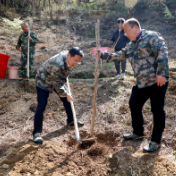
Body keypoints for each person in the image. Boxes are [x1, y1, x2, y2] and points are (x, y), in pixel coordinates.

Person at [98, 18, 169, 152]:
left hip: (156, 81)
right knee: (134, 103)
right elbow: (120, 55)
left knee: (157, 110)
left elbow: (162, 52)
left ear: (135, 27)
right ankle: (138, 132)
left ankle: (155, 141)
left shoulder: (151, 36)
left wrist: (162, 73)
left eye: (126, 31)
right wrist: (103, 55)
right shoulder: (131, 44)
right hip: (141, 82)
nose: (125, 34)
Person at [33, 47, 84, 144]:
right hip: (43, 80)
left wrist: (65, 75)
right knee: (42, 105)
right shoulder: (58, 63)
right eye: (75, 61)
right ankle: (36, 133)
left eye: (78, 62)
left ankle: (71, 121)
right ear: (69, 55)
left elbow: (60, 77)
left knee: (68, 99)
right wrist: (66, 93)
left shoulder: (69, 59)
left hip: (57, 79)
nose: (76, 64)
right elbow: (56, 83)